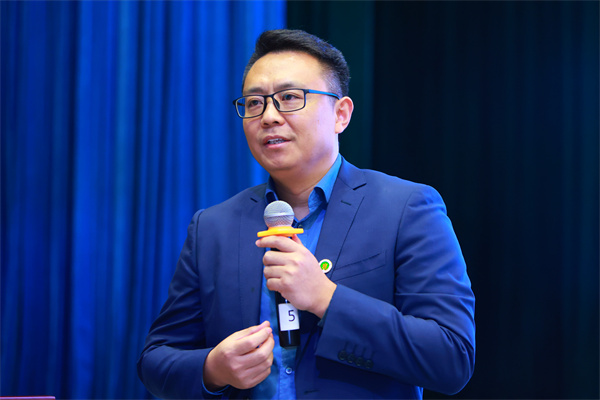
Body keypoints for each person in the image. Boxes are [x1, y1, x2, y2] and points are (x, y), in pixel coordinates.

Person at [137, 29, 475, 399]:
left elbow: (451, 358)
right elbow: (156, 359)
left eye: (289, 98)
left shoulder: (406, 208)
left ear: (340, 114)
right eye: (254, 103)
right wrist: (213, 369)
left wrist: (326, 299)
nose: (269, 116)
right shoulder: (212, 227)